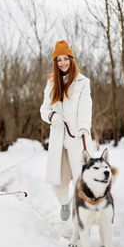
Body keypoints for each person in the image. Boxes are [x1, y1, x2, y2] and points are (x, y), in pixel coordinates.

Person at [40, 40, 94, 221]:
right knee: (58, 179)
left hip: (77, 137)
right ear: (55, 63)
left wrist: (84, 128)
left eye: (66, 58)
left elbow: (86, 108)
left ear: (71, 59)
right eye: (59, 59)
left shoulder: (82, 82)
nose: (63, 62)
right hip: (58, 138)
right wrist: (52, 117)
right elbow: (44, 109)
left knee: (82, 177)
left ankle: (81, 213)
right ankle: (65, 202)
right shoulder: (51, 84)